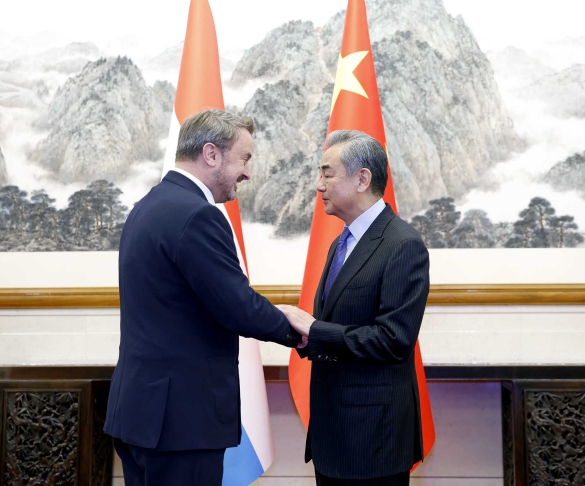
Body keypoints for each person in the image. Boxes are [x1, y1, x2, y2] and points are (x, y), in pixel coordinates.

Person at [104, 109, 303, 486]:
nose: (248, 172)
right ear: (211, 154)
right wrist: (302, 331)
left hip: (140, 415)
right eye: (244, 158)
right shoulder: (198, 216)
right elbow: (238, 307)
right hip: (181, 423)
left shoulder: (148, 207)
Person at [278, 130, 430, 486]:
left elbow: (393, 340)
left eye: (327, 173)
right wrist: (302, 337)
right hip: (333, 436)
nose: (319, 185)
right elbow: (338, 325)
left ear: (362, 178)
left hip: (372, 440)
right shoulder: (340, 243)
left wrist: (314, 329)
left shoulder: (402, 244)